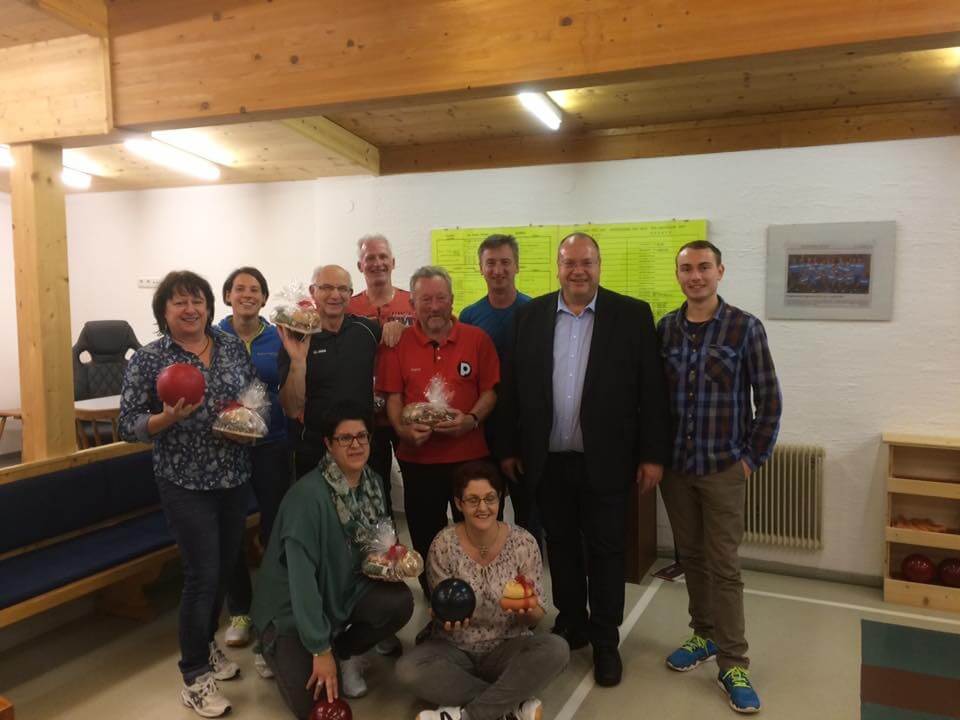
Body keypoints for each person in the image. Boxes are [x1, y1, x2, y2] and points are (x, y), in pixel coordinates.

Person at [497, 233, 670, 687]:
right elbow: (514, 387)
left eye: (586, 262)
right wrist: (509, 448)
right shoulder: (531, 316)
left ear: (599, 265)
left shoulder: (631, 315)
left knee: (607, 550)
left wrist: (653, 455)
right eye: (569, 262)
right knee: (561, 546)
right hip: (548, 461)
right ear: (557, 267)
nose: (578, 270)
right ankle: (572, 620)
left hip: (607, 461)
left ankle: (606, 639)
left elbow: (652, 392)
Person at [119, 270, 257, 718]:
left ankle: (207, 645)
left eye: (197, 300)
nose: (190, 309)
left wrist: (245, 424)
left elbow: (249, 399)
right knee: (202, 574)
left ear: (209, 306)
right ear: (163, 311)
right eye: (179, 302)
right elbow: (127, 424)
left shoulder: (230, 346)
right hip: (184, 481)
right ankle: (194, 675)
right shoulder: (149, 359)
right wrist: (164, 420)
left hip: (233, 475)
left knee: (223, 569)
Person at [657, 240, 782, 714]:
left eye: (703, 267)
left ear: (720, 272)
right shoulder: (665, 329)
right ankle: (703, 634)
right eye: (686, 268)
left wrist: (750, 460)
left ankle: (733, 662)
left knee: (724, 566)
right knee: (691, 557)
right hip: (676, 469)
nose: (695, 276)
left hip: (724, 468)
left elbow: (769, 401)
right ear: (678, 275)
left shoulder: (745, 328)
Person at [251, 403, 415, 719]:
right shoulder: (307, 499)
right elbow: (301, 583)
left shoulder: (372, 484)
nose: (356, 445)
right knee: (314, 706)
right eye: (345, 438)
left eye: (362, 436)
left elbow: (371, 546)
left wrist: (392, 558)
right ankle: (278, 648)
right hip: (291, 611)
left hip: (341, 592)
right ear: (328, 443)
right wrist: (319, 649)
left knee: (399, 603)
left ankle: (343, 651)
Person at [396, 461, 569, 720]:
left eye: (490, 498)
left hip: (507, 646)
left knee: (556, 649)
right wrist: (442, 619)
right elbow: (443, 611)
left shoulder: (523, 542)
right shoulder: (443, 544)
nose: (483, 507)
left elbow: (535, 618)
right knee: (407, 670)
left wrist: (527, 610)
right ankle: (511, 706)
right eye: (473, 500)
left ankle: (467, 715)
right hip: (455, 648)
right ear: (458, 503)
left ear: (500, 499)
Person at [377, 266, 499, 594]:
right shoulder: (397, 344)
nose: (434, 307)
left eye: (441, 298)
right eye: (426, 299)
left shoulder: (477, 339)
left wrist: (470, 420)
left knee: (476, 532)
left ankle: (479, 597)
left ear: (452, 300)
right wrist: (402, 430)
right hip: (418, 461)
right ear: (412, 304)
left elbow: (490, 392)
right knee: (426, 536)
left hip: (471, 458)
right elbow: (393, 397)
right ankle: (437, 600)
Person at [217, 266, 293, 670]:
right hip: (227, 447)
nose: (247, 295)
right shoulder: (213, 337)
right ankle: (240, 611)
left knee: (273, 528)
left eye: (254, 289)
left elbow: (291, 385)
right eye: (239, 288)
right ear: (227, 295)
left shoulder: (277, 337)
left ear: (264, 298)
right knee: (230, 527)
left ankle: (271, 607)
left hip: (272, 444)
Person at [458, 234, 538, 544]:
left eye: (505, 262)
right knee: (486, 508)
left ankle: (528, 568)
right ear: (480, 268)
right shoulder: (470, 316)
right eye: (490, 263)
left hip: (524, 429)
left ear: (517, 266)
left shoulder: (535, 312)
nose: (498, 270)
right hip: (484, 430)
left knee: (529, 511)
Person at [278, 265, 381, 480]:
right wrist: (298, 361)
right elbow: (292, 409)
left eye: (342, 289)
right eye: (326, 287)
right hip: (315, 449)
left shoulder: (367, 331)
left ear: (350, 294)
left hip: (362, 446)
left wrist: (395, 328)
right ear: (313, 291)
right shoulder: (296, 337)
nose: (335, 295)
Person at [348, 234, 416, 519]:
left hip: (406, 410)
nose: (377, 263)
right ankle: (384, 543)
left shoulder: (413, 302)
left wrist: (406, 331)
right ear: (360, 265)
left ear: (393, 262)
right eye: (370, 258)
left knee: (418, 485)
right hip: (365, 415)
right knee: (373, 489)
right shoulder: (348, 307)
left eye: (383, 257)